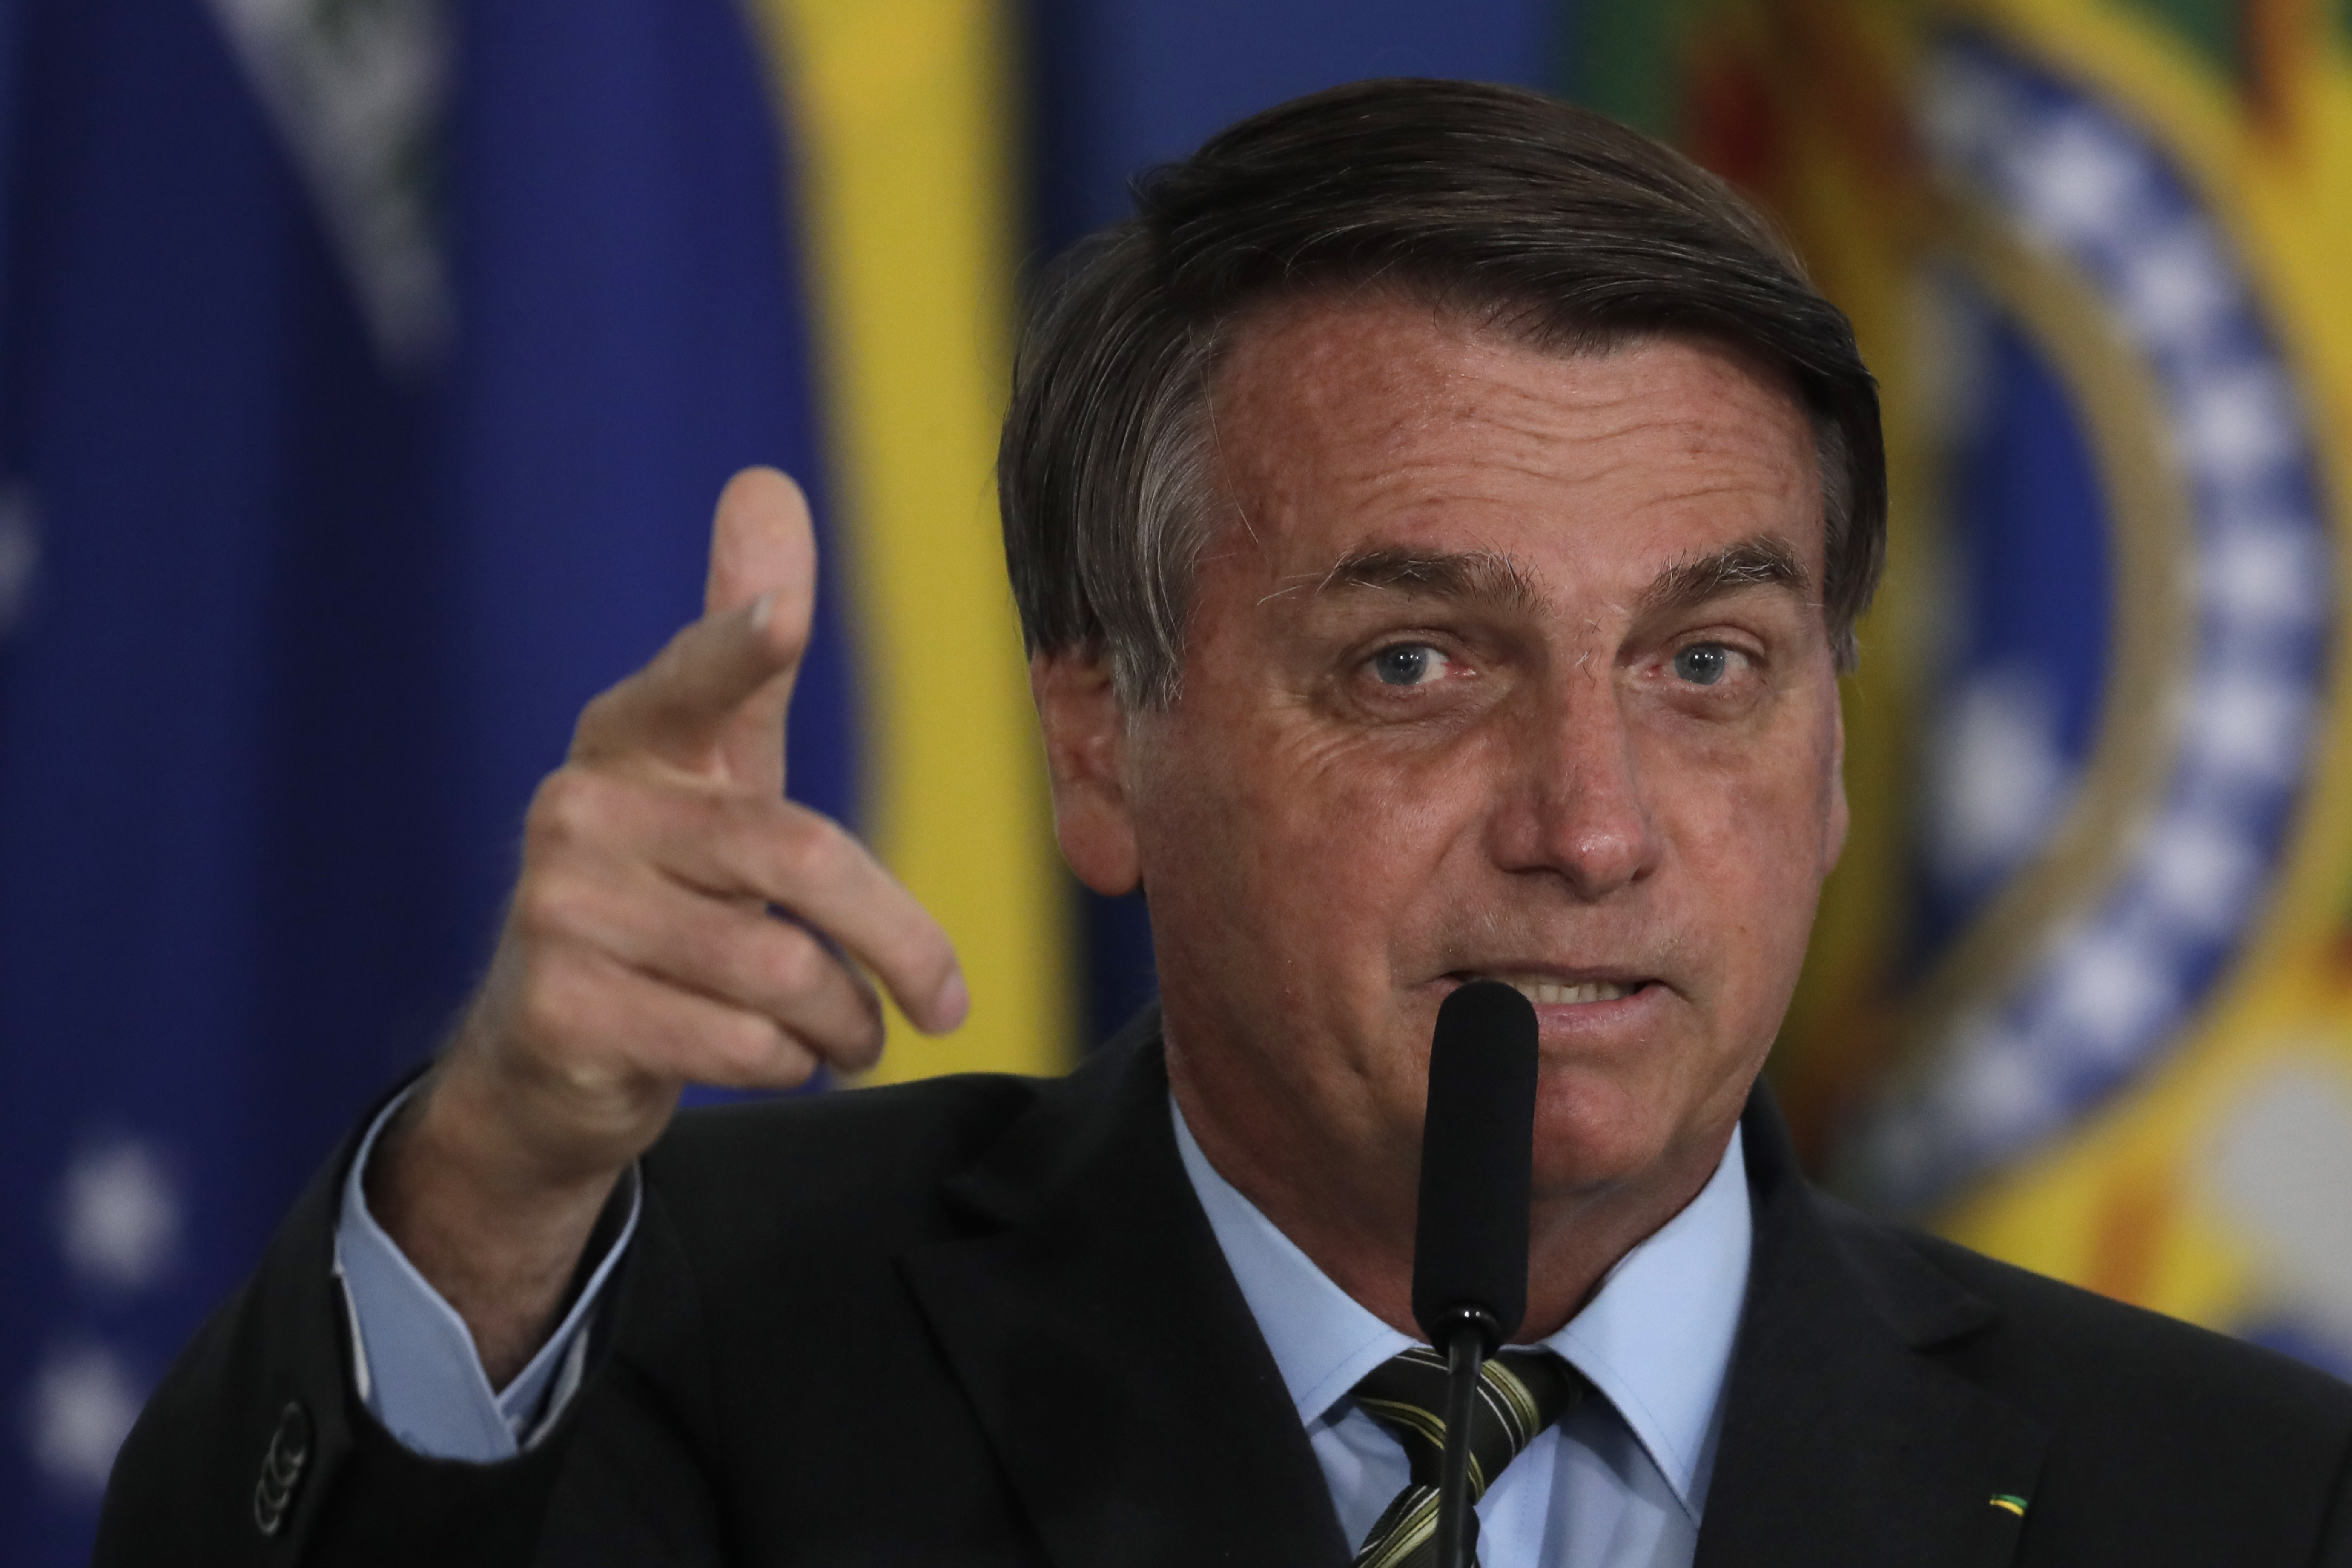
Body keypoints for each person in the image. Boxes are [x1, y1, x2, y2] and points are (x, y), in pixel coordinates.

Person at [95, 79, 2352, 1568]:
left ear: (1838, 757)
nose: (1594, 829)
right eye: (1417, 665)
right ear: (1101, 736)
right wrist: (496, 1174)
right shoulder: (679, 1342)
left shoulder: (2241, 1503)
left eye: (1707, 667)